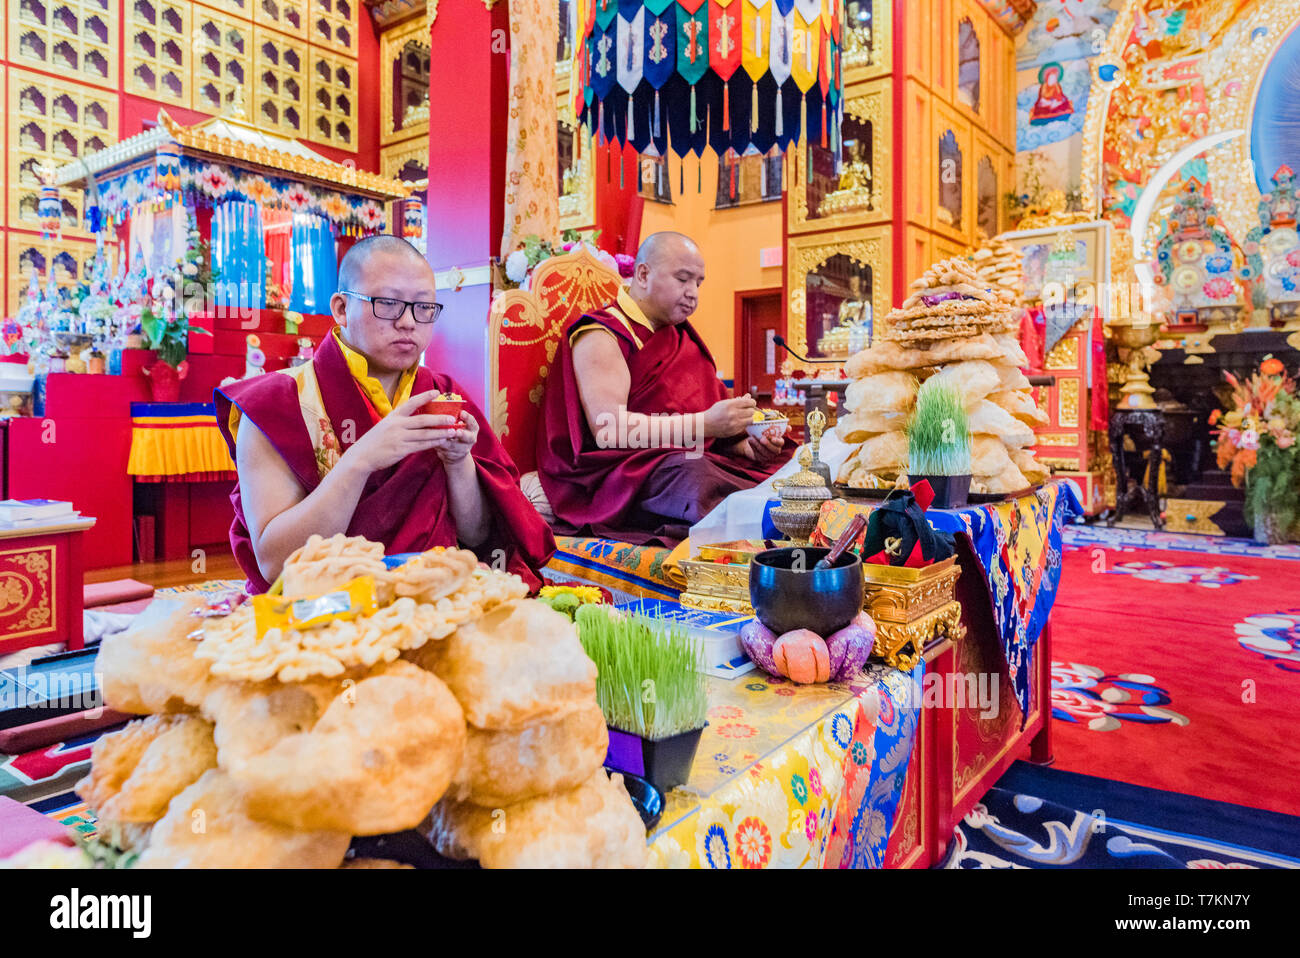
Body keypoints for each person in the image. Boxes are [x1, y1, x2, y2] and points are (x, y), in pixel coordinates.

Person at [215, 235, 554, 592]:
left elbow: (479, 536)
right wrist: (361, 459)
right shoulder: (277, 403)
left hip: (433, 599)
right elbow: (276, 563)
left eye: (423, 307)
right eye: (389, 303)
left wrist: (459, 465)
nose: (408, 322)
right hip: (326, 613)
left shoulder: (444, 396)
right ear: (341, 308)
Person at [536, 231, 795, 545]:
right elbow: (608, 429)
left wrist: (743, 444)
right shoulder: (601, 334)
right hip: (618, 477)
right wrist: (706, 424)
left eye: (698, 282)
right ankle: (775, 523)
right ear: (643, 274)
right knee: (692, 474)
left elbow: (707, 436)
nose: (693, 294)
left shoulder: (680, 339)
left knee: (791, 461)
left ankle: (780, 517)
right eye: (683, 279)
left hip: (682, 458)